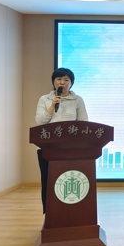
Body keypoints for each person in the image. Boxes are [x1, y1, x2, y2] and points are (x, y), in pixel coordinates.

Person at [35, 67, 88, 213]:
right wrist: (52, 106)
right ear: (54, 82)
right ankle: (49, 215)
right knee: (48, 181)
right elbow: (40, 122)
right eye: (59, 79)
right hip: (47, 147)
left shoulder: (77, 100)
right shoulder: (45, 99)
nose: (62, 83)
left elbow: (83, 123)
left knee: (68, 179)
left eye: (66, 80)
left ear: (71, 83)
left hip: (70, 148)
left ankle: (69, 213)